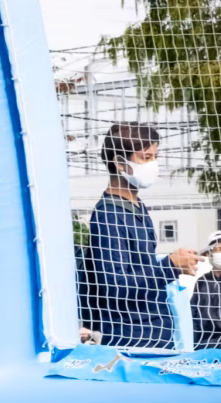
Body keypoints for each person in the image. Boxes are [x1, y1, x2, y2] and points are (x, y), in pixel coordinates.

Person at [85, 123, 201, 349]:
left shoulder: (138, 207)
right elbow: (115, 287)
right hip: (131, 339)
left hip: (156, 332)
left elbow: (141, 269)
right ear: (120, 163)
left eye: (155, 157)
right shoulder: (108, 215)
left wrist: (174, 264)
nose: (153, 165)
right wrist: (169, 266)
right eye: (145, 158)